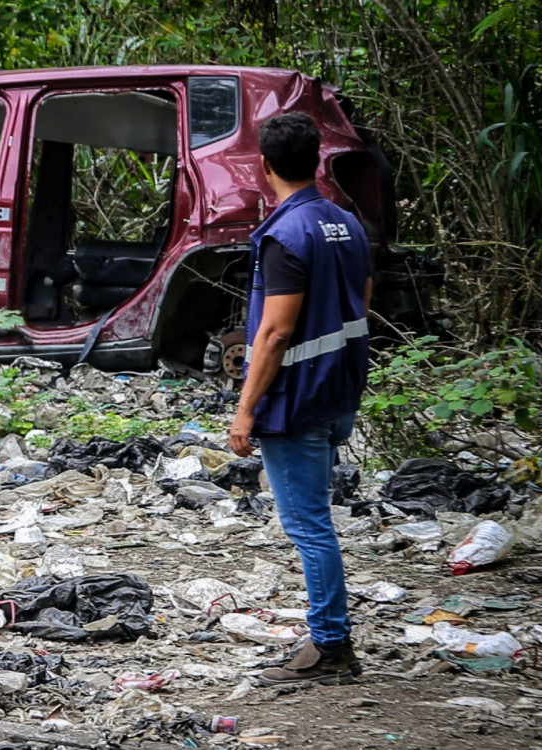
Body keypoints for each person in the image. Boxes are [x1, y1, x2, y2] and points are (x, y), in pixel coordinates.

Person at [228, 112, 373, 686]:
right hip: (340, 390)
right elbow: (360, 299)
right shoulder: (346, 223)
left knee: (309, 525)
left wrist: (245, 410)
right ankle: (328, 636)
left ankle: (331, 645)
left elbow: (274, 332)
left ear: (264, 166)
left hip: (296, 400)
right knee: (317, 519)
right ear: (316, 161)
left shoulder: (285, 235)